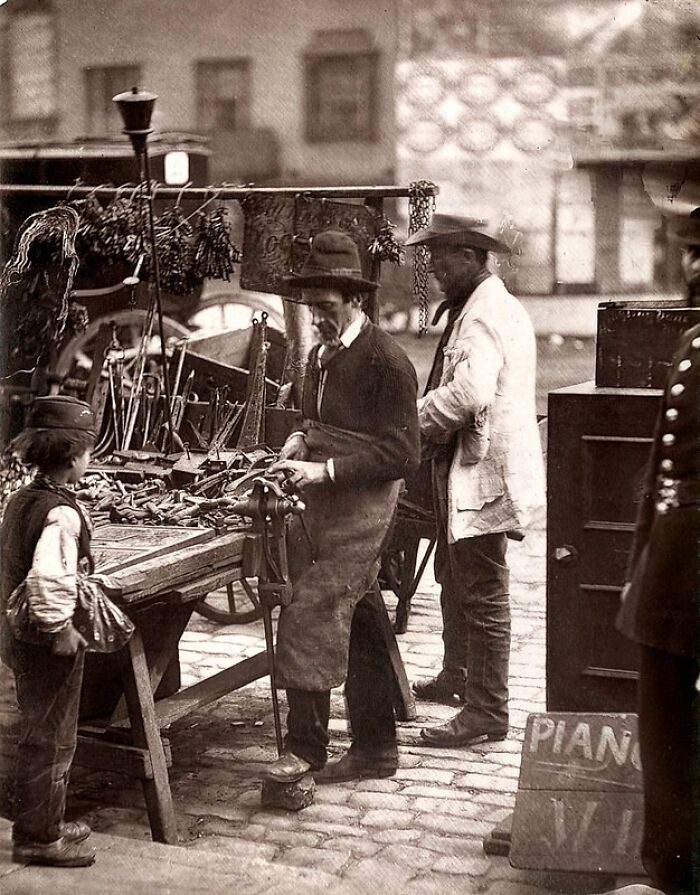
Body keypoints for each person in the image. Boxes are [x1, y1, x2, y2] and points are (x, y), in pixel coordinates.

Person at [261, 230, 420, 786]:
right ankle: (376, 750)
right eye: (312, 309)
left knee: (313, 606)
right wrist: (302, 438)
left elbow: (402, 453)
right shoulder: (323, 356)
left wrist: (324, 470)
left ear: (355, 300)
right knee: (360, 614)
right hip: (327, 499)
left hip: (366, 503)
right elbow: (320, 419)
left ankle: (305, 750)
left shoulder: (387, 362)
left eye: (327, 309)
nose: (318, 320)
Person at [405, 214, 545, 747]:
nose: (434, 269)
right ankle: (458, 675)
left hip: (482, 473)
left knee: (482, 588)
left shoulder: (485, 314)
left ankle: (487, 712)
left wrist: (407, 424)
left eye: (441, 259)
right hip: (470, 466)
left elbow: (468, 396)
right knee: (453, 571)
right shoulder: (477, 305)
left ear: (469, 257)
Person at [616, 212, 700, 895]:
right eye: (693, 254)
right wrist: (640, 563)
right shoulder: (693, 341)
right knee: (663, 717)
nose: (694, 268)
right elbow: (661, 467)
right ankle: (669, 867)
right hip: (673, 564)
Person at [0, 395, 97, 868]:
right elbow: (48, 578)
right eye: (87, 451)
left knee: (41, 729)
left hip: (18, 636)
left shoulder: (22, 499)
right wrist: (61, 629)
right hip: (44, 640)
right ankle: (38, 836)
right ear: (73, 455)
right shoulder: (61, 515)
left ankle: (47, 821)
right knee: (51, 736)